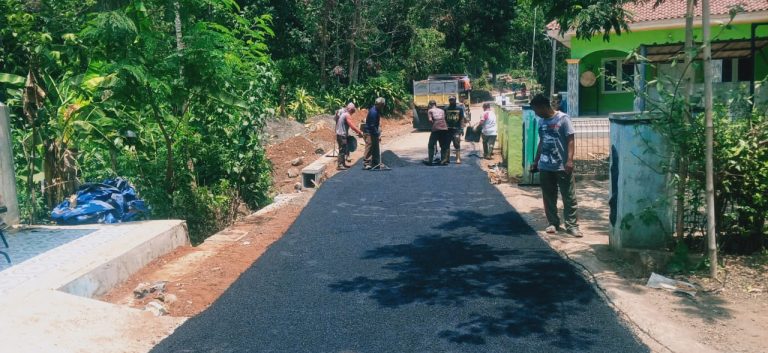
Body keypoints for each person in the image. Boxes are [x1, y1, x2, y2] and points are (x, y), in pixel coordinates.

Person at [530, 94, 582, 237]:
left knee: (569, 196)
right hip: (545, 166)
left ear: (543, 107)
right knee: (548, 196)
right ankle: (553, 223)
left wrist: (570, 160)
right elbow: (541, 142)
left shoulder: (563, 118)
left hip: (562, 165)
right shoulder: (541, 122)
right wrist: (536, 161)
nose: (535, 113)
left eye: (536, 110)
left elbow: (570, 139)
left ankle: (572, 226)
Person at [335, 103, 364, 170]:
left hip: (340, 134)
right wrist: (359, 132)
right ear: (351, 110)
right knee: (342, 150)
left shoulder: (344, 114)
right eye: (353, 111)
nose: (353, 112)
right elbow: (352, 126)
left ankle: (343, 164)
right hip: (341, 135)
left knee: (343, 149)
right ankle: (340, 165)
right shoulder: (347, 115)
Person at [423, 100, 450, 166]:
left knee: (431, 145)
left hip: (436, 128)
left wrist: (434, 124)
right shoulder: (442, 110)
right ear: (436, 104)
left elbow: (430, 120)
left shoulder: (430, 110)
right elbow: (444, 118)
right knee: (443, 145)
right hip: (444, 128)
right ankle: (443, 161)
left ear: (429, 105)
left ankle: (430, 161)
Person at [363, 97, 385, 170]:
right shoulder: (373, 112)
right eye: (382, 105)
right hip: (369, 132)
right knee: (369, 146)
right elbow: (372, 125)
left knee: (375, 147)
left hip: (373, 131)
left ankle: (376, 163)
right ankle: (366, 164)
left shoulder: (376, 110)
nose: (383, 107)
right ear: (379, 104)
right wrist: (377, 134)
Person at [444, 96, 466, 164]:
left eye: (452, 100)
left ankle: (458, 158)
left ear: (455, 100)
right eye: (450, 100)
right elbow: (444, 119)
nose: (451, 101)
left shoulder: (460, 108)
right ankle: (447, 159)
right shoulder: (446, 108)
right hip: (448, 129)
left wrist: (462, 129)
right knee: (446, 144)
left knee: (457, 143)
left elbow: (462, 119)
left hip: (457, 129)